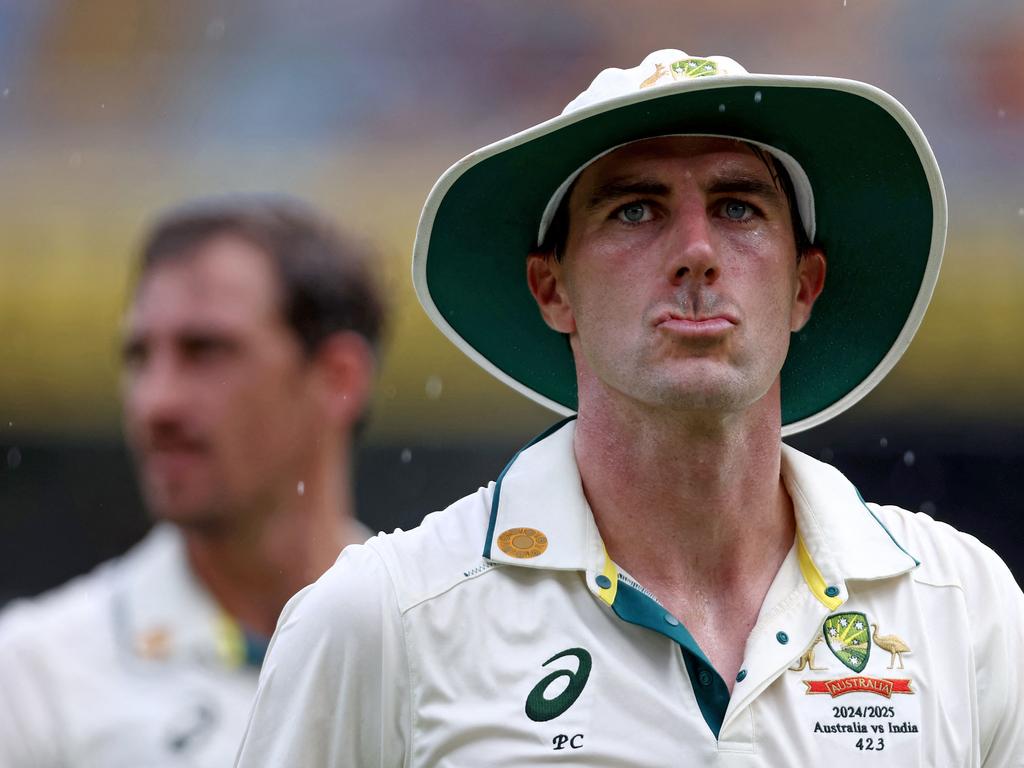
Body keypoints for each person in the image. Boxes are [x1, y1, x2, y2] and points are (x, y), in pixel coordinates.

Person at [235, 51, 1024, 766]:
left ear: (803, 287)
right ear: (554, 291)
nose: (696, 251)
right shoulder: (384, 617)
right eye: (635, 210)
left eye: (738, 207)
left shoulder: (966, 610)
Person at [0, 195, 385, 767]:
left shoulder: (444, 640)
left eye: (205, 351)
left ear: (337, 378)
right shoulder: (32, 679)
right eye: (139, 357)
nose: (156, 402)